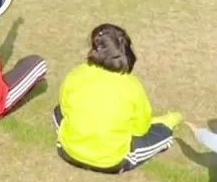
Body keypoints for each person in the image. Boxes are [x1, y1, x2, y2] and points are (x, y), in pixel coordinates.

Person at [53, 23, 181, 173]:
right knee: (163, 134)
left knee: (57, 111)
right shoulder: (132, 85)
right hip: (111, 161)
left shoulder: (76, 73)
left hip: (67, 151)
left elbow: (64, 108)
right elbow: (140, 130)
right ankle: (169, 124)